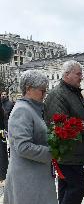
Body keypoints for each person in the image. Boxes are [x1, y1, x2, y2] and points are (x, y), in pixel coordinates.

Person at [44, 61, 84, 204]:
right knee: (78, 185)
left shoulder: (73, 92)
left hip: (73, 152)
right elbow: (60, 126)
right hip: (67, 153)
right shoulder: (58, 94)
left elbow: (78, 116)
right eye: (78, 74)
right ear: (67, 74)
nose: (82, 77)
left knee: (66, 187)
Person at [3, 70, 57, 204]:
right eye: (42, 91)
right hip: (27, 179)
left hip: (35, 176)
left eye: (46, 91)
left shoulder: (33, 108)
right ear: (28, 89)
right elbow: (23, 147)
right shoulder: (22, 110)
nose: (44, 95)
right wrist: (53, 152)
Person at [0, 99, 8, 182]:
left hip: (1, 133)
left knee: (2, 154)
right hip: (2, 133)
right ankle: (3, 175)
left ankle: (2, 175)